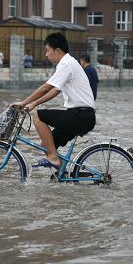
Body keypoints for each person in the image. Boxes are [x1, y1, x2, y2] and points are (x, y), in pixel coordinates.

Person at [13, 33, 95, 170]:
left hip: (81, 115)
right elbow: (55, 90)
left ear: (57, 50)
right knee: (46, 144)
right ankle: (62, 173)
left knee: (38, 116)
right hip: (79, 115)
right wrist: (32, 102)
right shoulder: (68, 63)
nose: (46, 54)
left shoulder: (67, 64)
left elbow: (46, 87)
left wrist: (27, 103)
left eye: (47, 50)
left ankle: (54, 159)